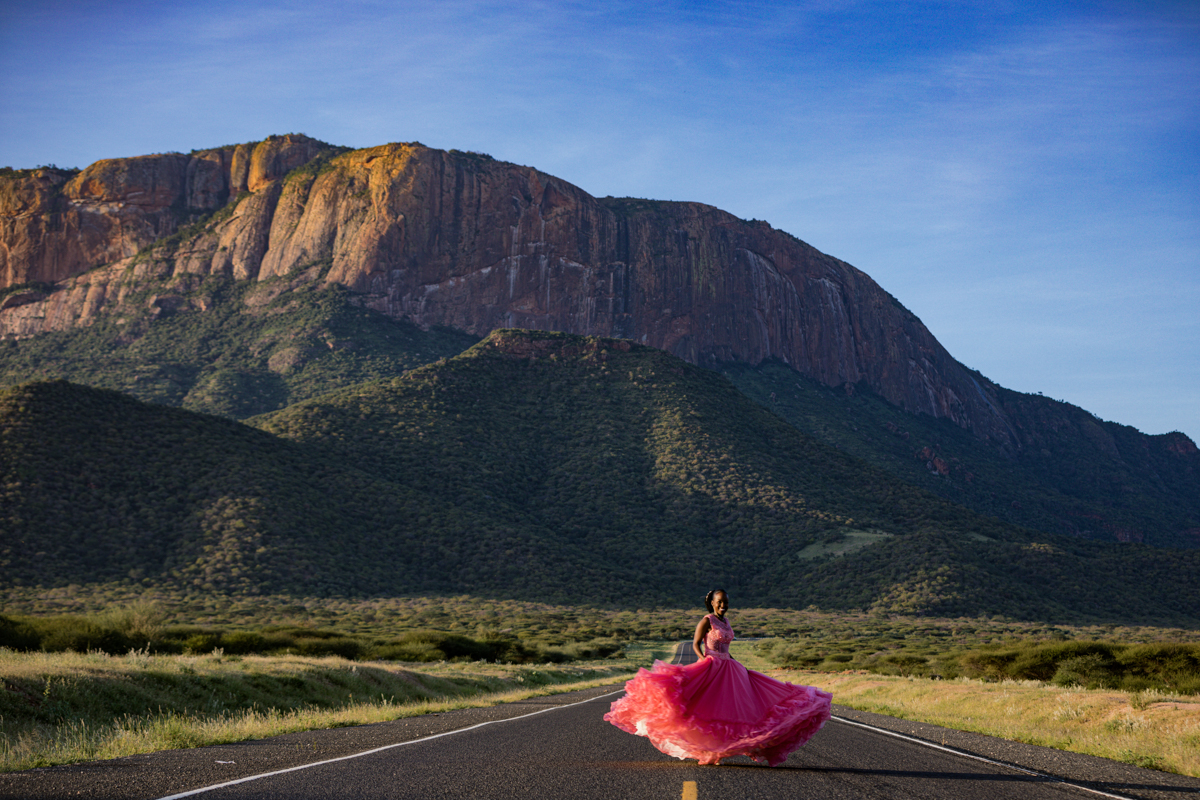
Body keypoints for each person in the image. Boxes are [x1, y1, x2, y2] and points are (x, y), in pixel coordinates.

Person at [603, 589, 832, 766]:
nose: (723, 605)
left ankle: (721, 749)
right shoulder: (707, 620)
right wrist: (703, 660)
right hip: (711, 665)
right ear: (711, 603)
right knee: (706, 707)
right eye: (720, 602)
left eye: (726, 602)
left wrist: (736, 663)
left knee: (736, 708)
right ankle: (709, 750)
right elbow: (695, 643)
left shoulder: (726, 622)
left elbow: (726, 646)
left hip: (730, 667)